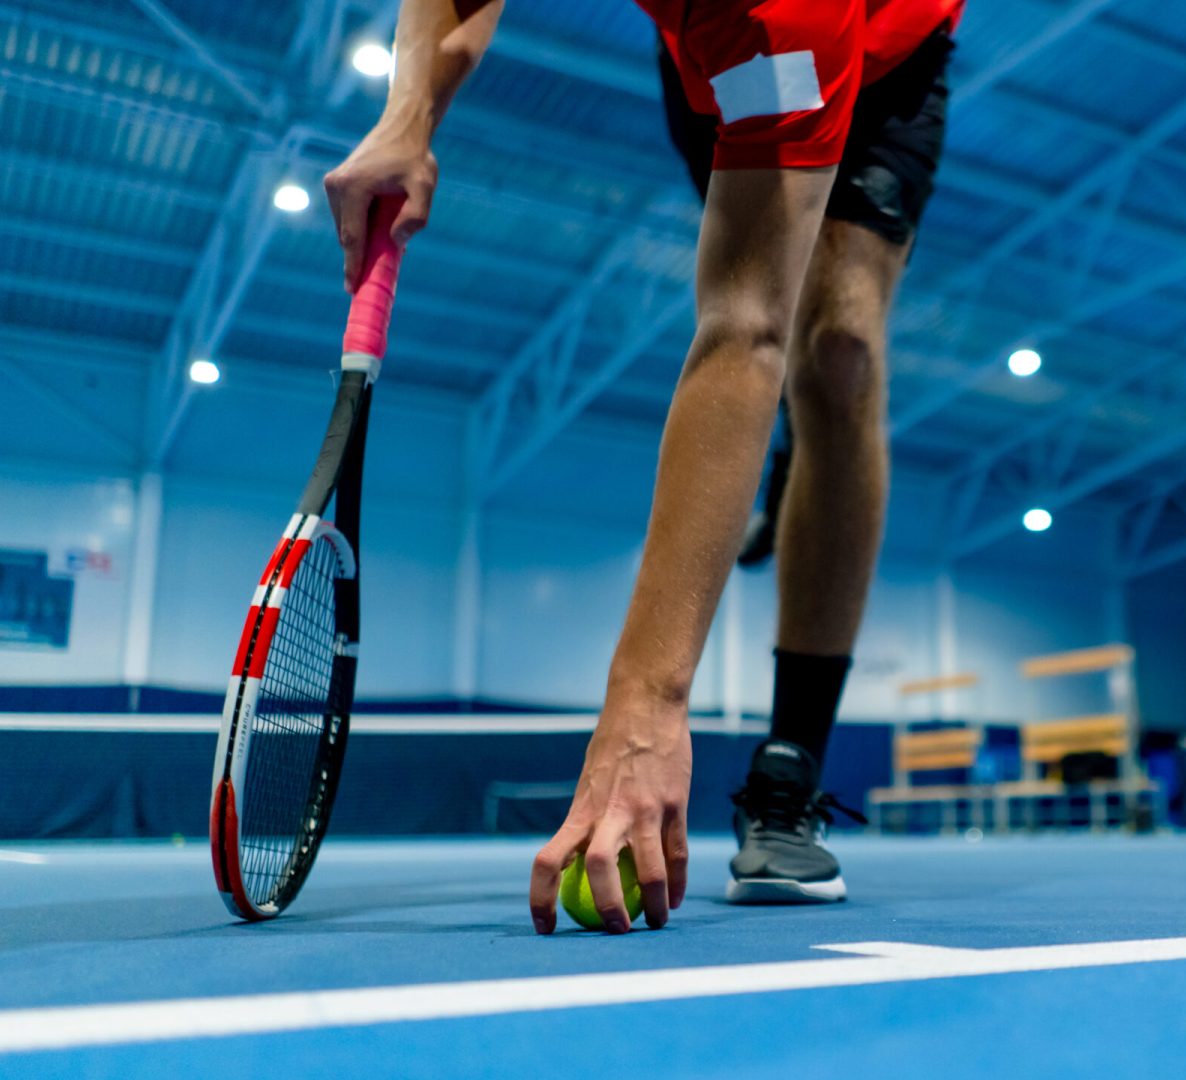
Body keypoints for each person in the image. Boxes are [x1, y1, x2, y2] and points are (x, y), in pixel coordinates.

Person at [324, 0, 962, 934]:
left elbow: (743, 329)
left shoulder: (785, 14)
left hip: (882, 50)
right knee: (781, 309)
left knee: (834, 351)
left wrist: (644, 708)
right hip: (718, 68)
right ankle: (784, 452)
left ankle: (789, 776)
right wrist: (407, 116)